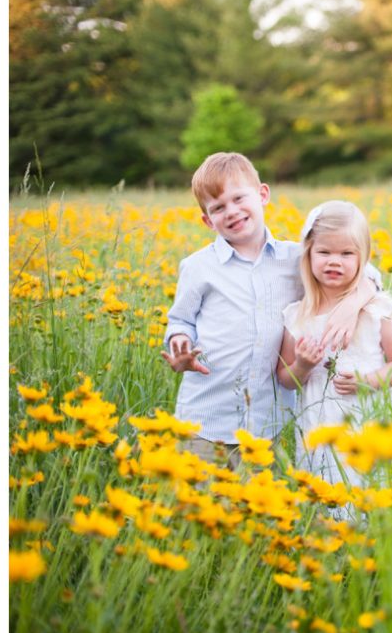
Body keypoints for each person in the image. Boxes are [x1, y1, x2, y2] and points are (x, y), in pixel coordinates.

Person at [161, 152, 380, 469]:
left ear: (263, 195)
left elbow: (368, 274)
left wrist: (351, 305)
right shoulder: (198, 268)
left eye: (238, 198)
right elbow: (180, 320)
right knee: (203, 511)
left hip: (268, 425)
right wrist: (179, 343)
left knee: (260, 511)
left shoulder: (295, 259)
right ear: (208, 221)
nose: (232, 211)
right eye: (218, 207)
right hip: (205, 421)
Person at [276, 200, 392, 491]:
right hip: (320, 426)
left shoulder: (375, 310)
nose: (334, 261)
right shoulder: (297, 316)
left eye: (347, 254)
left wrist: (370, 381)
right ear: (308, 255)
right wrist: (303, 365)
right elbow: (286, 379)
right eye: (324, 252)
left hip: (371, 420)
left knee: (376, 495)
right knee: (327, 497)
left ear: (364, 259)